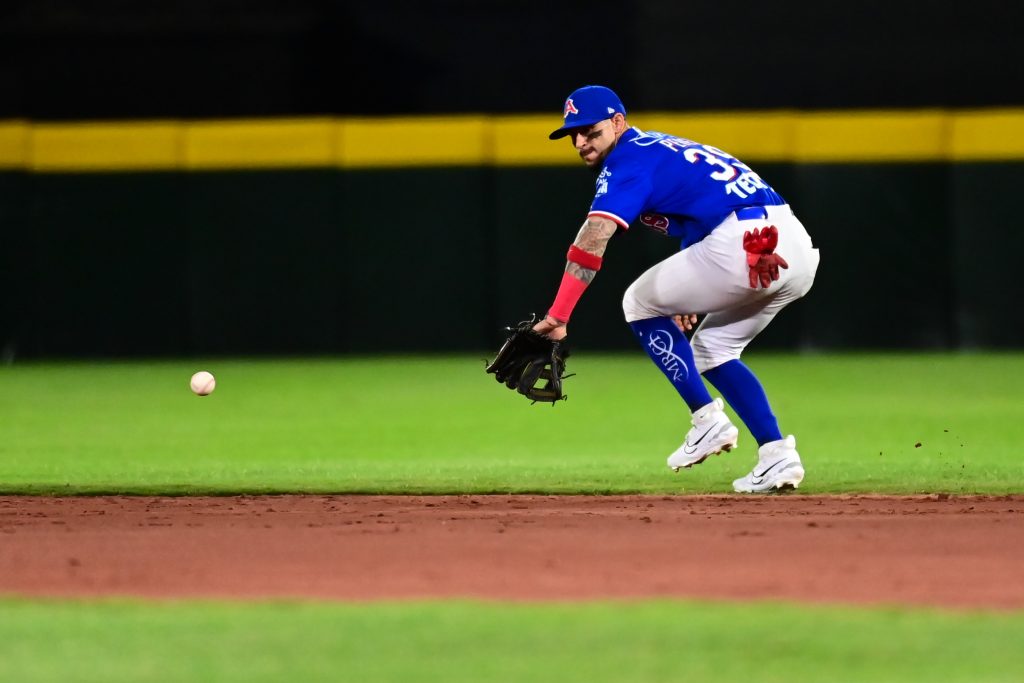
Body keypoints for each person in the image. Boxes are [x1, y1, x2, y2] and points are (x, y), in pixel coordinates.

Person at [532, 85, 820, 493]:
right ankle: (777, 454)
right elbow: (702, 212)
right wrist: (690, 292)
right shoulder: (662, 147)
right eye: (572, 134)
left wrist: (559, 316)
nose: (580, 142)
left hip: (744, 242)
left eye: (590, 131)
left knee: (638, 302)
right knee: (713, 350)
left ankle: (706, 421)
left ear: (618, 122)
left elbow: (594, 235)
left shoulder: (628, 161)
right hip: (792, 248)